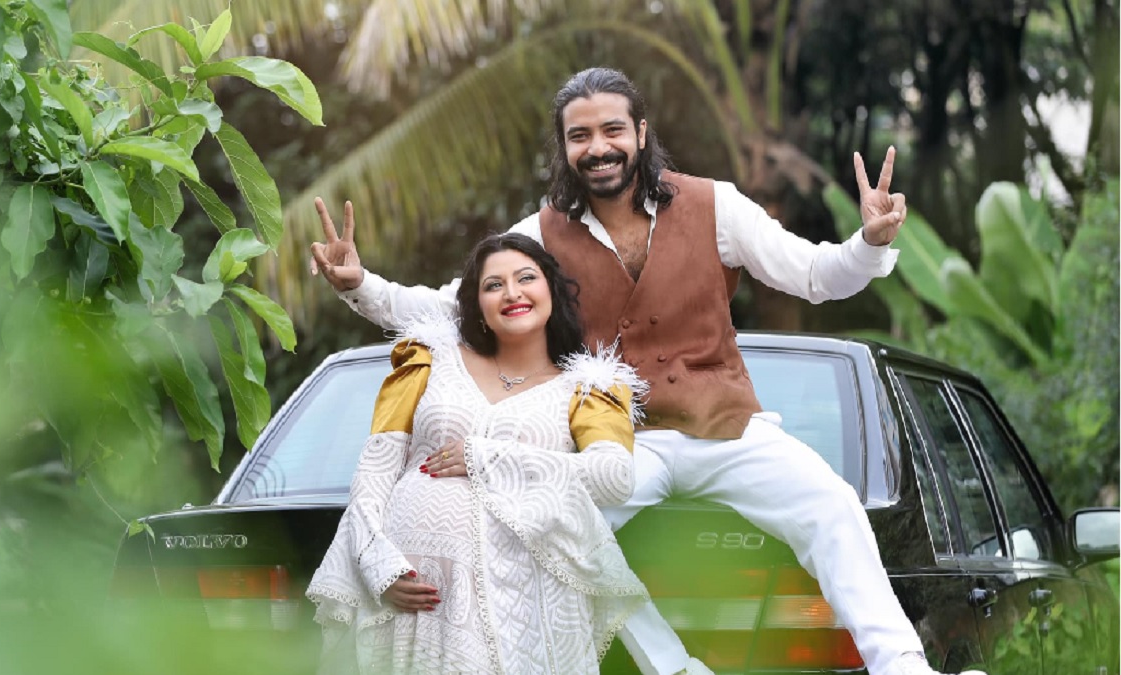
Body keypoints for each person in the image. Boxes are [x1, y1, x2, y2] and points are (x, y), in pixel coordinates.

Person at [309, 68, 986, 675]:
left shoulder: (716, 205)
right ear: (564, 149)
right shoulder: (541, 234)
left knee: (833, 504)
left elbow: (813, 274)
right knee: (565, 535)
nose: (597, 147)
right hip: (621, 442)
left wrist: (868, 243)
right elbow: (454, 304)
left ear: (639, 133)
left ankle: (904, 667)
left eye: (611, 130)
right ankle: (676, 669)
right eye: (579, 136)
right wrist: (360, 284)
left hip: (725, 426)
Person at [306, 233, 650, 674]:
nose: (512, 293)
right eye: (493, 285)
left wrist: (487, 456)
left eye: (526, 278)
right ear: (477, 305)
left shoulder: (588, 388)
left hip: (523, 604)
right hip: (410, 603)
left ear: (552, 290)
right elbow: (376, 468)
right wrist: (377, 564)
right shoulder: (430, 360)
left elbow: (614, 477)